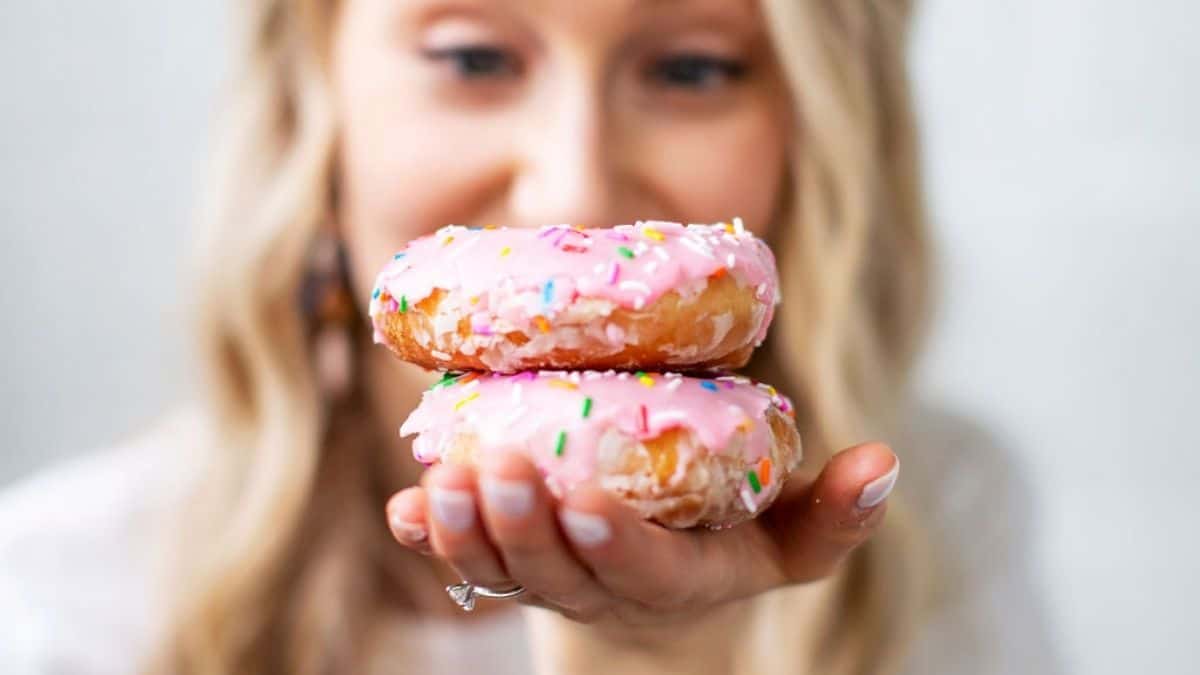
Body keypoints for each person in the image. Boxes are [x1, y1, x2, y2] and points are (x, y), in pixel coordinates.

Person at [0, 1, 1062, 673]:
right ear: (311, 109)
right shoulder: (70, 590)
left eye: (691, 69)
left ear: (822, 128)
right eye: (472, 56)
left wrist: (674, 657)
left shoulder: (939, 525)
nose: (575, 182)